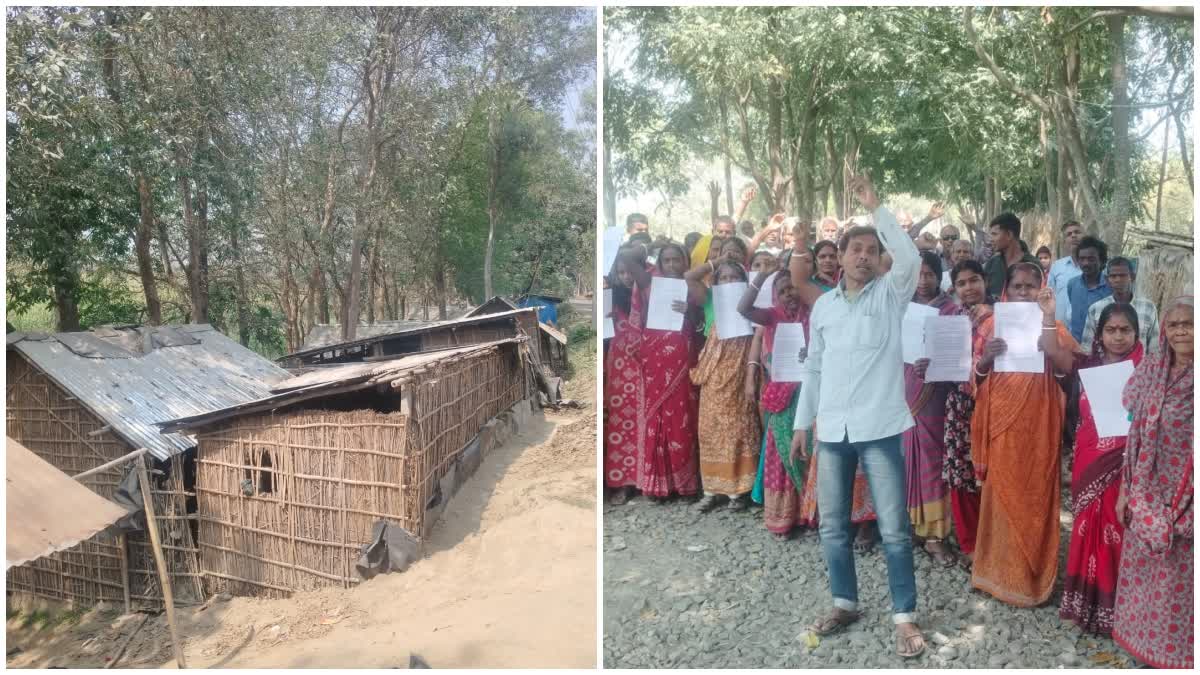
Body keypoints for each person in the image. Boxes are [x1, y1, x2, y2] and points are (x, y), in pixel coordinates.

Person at [788, 174, 926, 658]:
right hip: (832, 431)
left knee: (892, 528)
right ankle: (845, 603)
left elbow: (910, 258)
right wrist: (804, 424)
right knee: (832, 526)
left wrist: (876, 208)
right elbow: (815, 369)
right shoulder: (823, 308)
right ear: (840, 258)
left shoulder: (892, 295)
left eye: (871, 249)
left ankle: (904, 617)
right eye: (855, 250)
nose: (864, 255)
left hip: (881, 428)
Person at [969, 262, 1079, 606]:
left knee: (1034, 495)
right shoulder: (991, 325)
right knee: (1000, 495)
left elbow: (1065, 368)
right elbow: (975, 379)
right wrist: (986, 357)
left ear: (1043, 289)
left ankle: (1031, 580)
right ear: (1006, 290)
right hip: (1001, 426)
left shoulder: (1055, 327)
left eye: (1031, 286)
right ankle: (994, 574)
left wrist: (1047, 319)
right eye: (1017, 286)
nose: (1023, 292)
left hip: (1039, 430)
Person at [1111, 296, 1192, 669]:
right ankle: (1140, 641)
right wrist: (1128, 490)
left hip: (1186, 495)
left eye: (1188, 324)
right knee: (1144, 570)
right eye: (1174, 324)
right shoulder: (1153, 369)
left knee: (1180, 575)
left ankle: (1176, 654)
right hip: (1146, 487)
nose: (1180, 331)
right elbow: (1131, 414)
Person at [1060, 303, 1145, 636]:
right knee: (1085, 528)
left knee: (1118, 529)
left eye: (1125, 330)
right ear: (1100, 334)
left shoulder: (1148, 371)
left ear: (1137, 334)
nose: (1118, 337)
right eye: (1111, 330)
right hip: (1089, 458)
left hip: (1125, 464)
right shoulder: (1090, 366)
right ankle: (1084, 604)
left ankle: (1118, 612)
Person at [617, 242, 701, 500]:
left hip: (682, 356)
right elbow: (625, 256)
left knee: (682, 416)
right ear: (660, 263)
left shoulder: (693, 285)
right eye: (667, 260)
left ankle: (684, 483)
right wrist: (644, 249)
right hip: (654, 359)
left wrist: (691, 312)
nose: (673, 265)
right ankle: (657, 485)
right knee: (656, 416)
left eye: (677, 260)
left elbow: (703, 321)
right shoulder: (649, 282)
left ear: (685, 262)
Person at [738, 253, 812, 537]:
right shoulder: (771, 316)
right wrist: (760, 275)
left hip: (808, 394)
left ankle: (809, 513)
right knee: (782, 456)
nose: (788, 294)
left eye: (792, 287)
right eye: (781, 290)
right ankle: (785, 516)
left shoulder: (814, 313)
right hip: (781, 394)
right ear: (775, 296)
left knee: (808, 451)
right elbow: (742, 307)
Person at [687, 250, 761, 512]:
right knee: (710, 428)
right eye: (724, 278)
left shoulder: (753, 303)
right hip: (714, 371)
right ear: (716, 284)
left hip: (742, 370)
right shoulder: (710, 301)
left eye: (734, 277)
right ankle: (712, 489)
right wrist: (718, 261)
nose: (729, 282)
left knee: (741, 427)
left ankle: (738, 492)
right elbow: (689, 276)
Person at [904, 252, 960, 567]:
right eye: (918, 274)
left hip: (936, 397)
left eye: (930, 274)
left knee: (931, 458)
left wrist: (936, 365)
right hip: (901, 391)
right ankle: (911, 526)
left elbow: (958, 359)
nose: (924, 281)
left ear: (940, 276)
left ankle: (936, 534)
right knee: (904, 458)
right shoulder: (900, 309)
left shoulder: (951, 312)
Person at [942, 259, 992, 564]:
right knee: (961, 476)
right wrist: (927, 366)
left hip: (993, 406)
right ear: (955, 288)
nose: (969, 288)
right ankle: (970, 544)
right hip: (959, 404)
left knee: (990, 475)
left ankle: (994, 542)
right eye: (962, 283)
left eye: (974, 280)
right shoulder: (949, 318)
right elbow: (941, 362)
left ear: (985, 281)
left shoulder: (1001, 318)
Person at [604, 245, 648, 505]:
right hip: (620, 366)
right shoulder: (610, 297)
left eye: (630, 271)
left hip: (645, 363)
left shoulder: (649, 293)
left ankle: (644, 478)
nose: (627, 276)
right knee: (620, 422)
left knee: (645, 419)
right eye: (621, 272)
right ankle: (622, 482)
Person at [1081, 257, 1159, 353]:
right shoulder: (1096, 309)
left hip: (1139, 366)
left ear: (1132, 277)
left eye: (1123, 275)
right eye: (1113, 276)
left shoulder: (1148, 307)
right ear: (1107, 279)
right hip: (1104, 366)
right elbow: (1087, 348)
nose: (1118, 280)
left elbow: (1155, 348)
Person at [981, 212, 1040, 298]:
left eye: (995, 234)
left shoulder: (1034, 265)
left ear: (1009, 235)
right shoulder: (991, 264)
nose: (991, 240)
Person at [1065, 236, 1112, 342]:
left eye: (1091, 259)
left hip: (1102, 348)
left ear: (1102, 260)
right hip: (1076, 347)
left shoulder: (1111, 287)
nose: (1085, 263)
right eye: (1082, 259)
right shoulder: (1072, 284)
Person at [1048, 220, 1086, 323]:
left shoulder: (1095, 267)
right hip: (1061, 330)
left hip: (1087, 330)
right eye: (1069, 234)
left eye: (1077, 232)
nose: (1073, 236)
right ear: (1064, 242)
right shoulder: (1057, 266)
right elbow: (1050, 297)